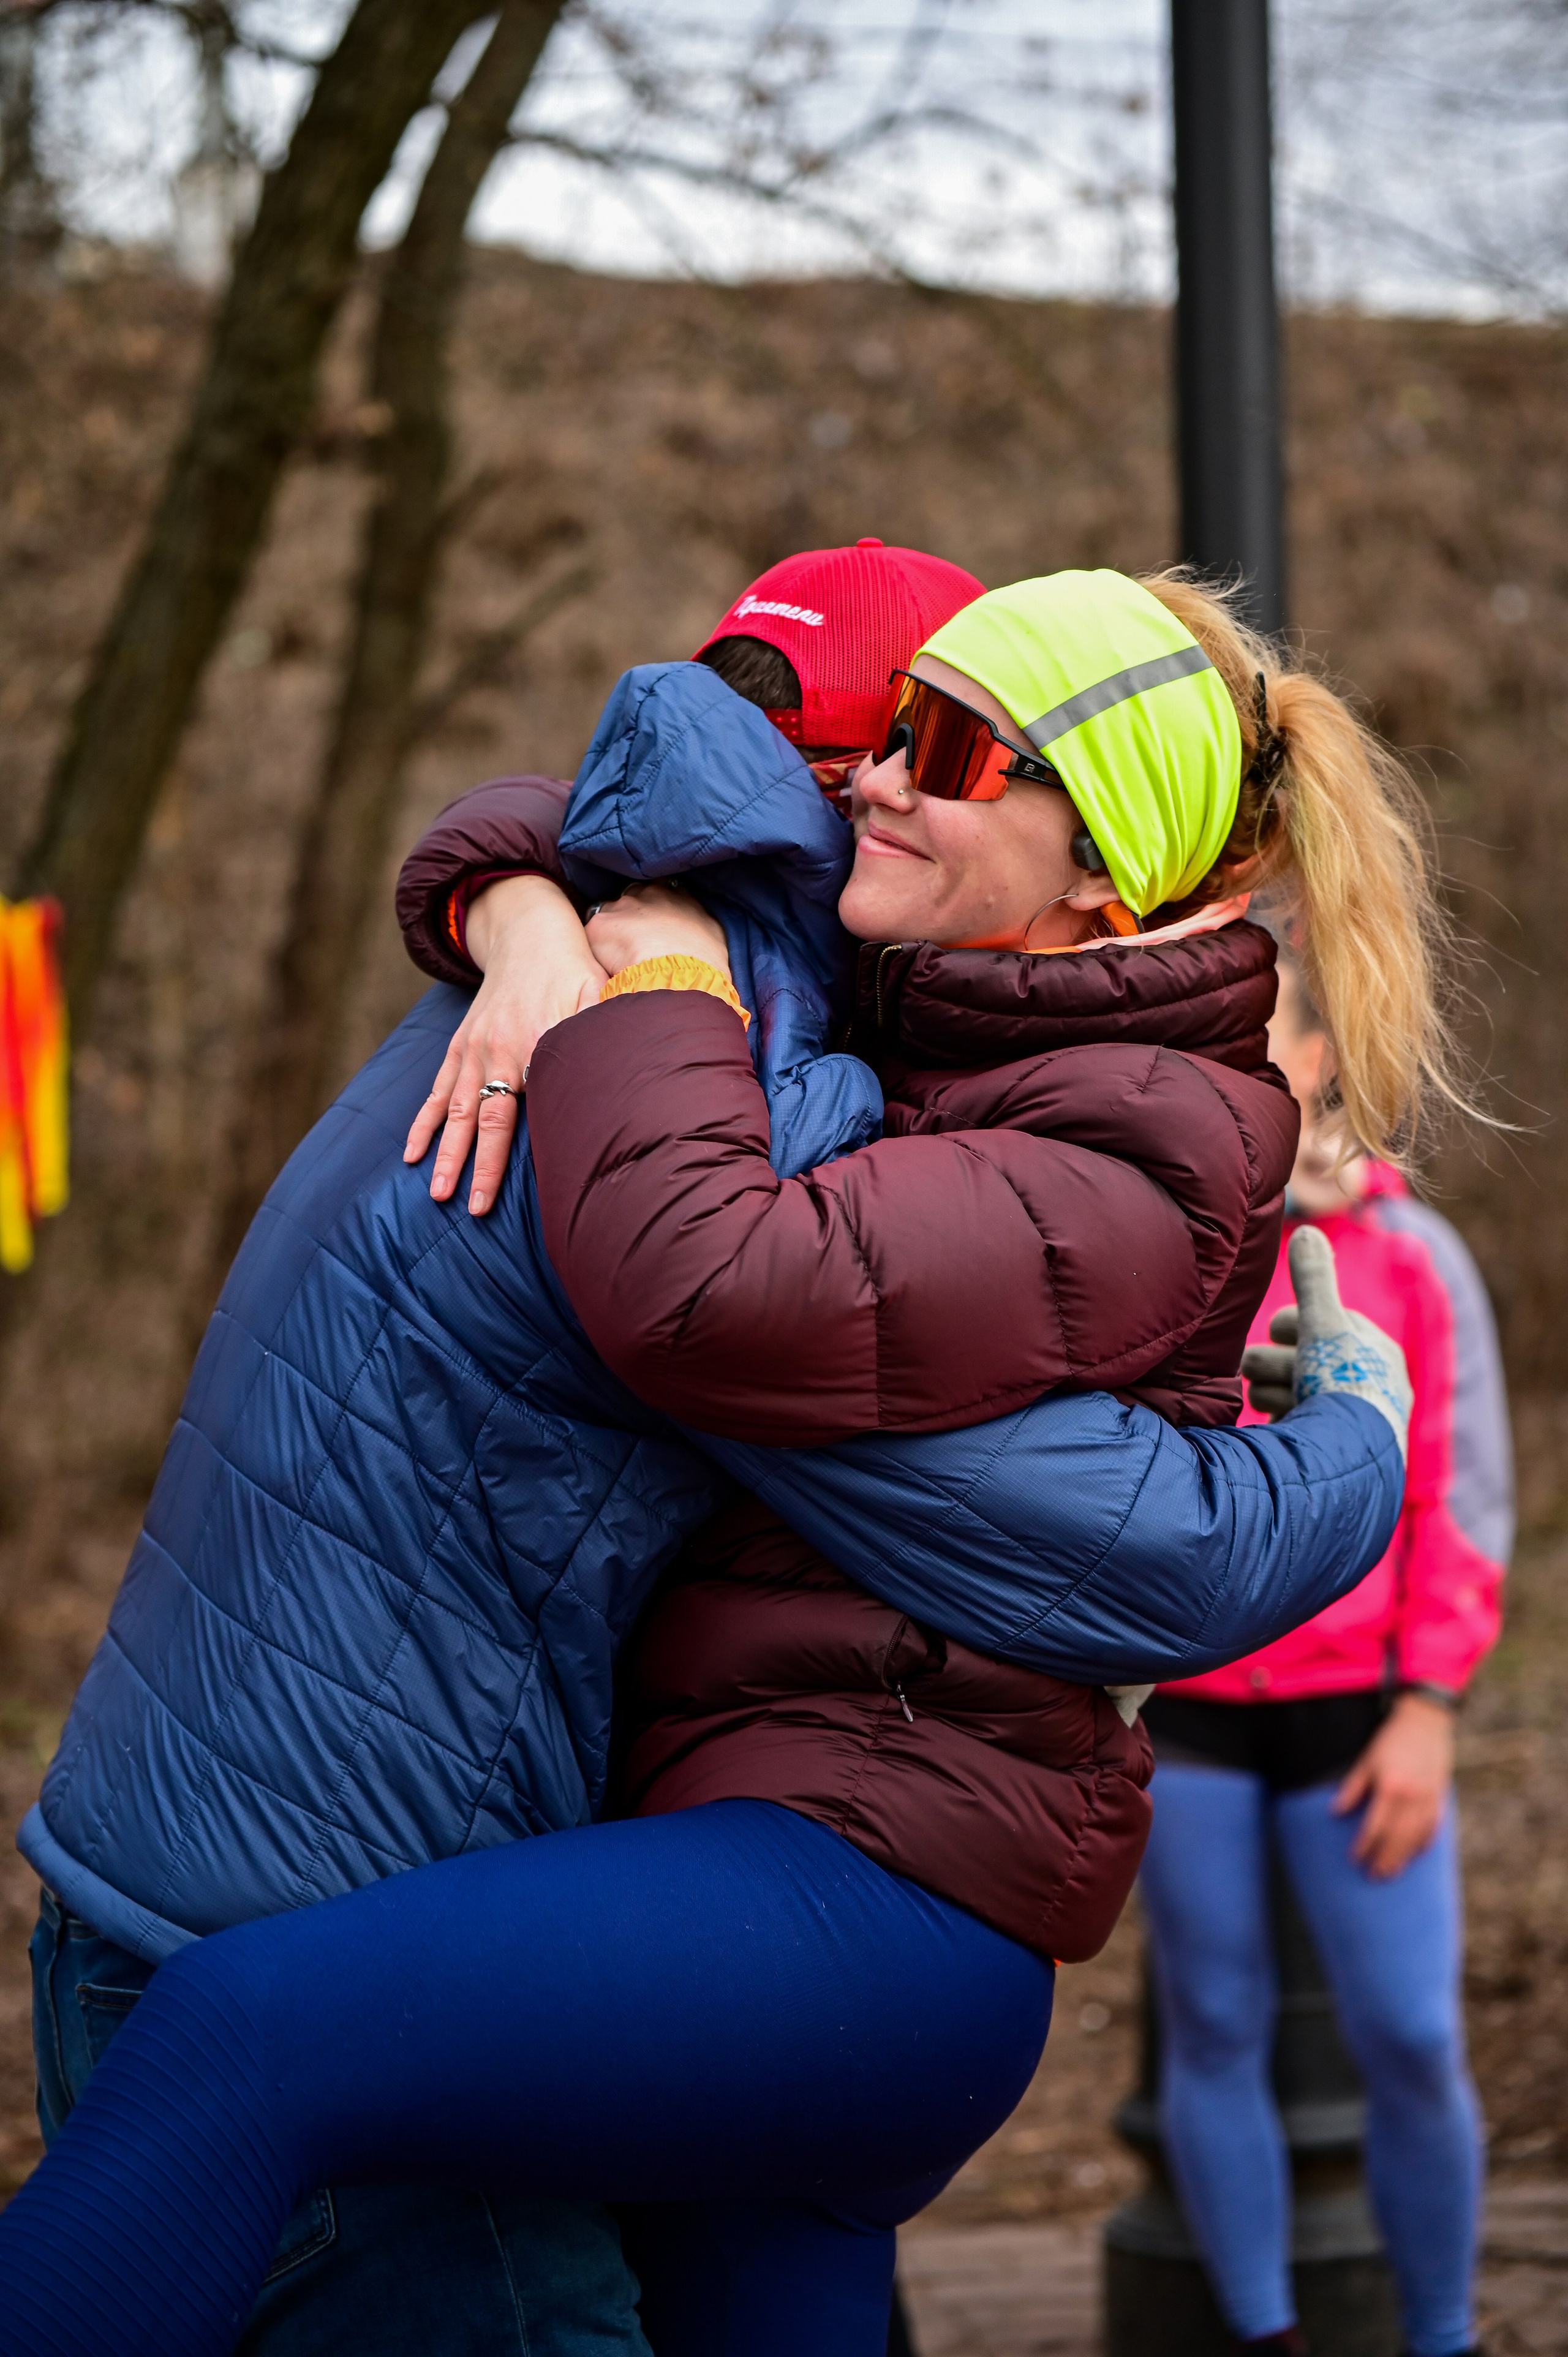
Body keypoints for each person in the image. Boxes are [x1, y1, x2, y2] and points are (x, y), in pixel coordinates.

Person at [1, 564, 1430, 2357]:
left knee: (247, 2040)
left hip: (875, 1888)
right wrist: (527, 899)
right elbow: (604, 810)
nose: (883, 779)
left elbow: (708, 1292)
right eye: (890, 724)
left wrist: (658, 966)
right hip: (738, 1853)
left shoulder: (1134, 1138)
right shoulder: (925, 1035)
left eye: (958, 750)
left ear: (1105, 870)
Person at [1139, 948, 1511, 2357]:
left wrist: (1426, 1705)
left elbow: (1458, 1499)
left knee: (1411, 2038)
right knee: (1212, 2026)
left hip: (1365, 1715)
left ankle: (1440, 2337)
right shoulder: (1156, 1228)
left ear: (1321, 1055)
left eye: (1257, 1023)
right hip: (1188, 1713)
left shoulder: (1414, 1256)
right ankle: (1260, 2336)